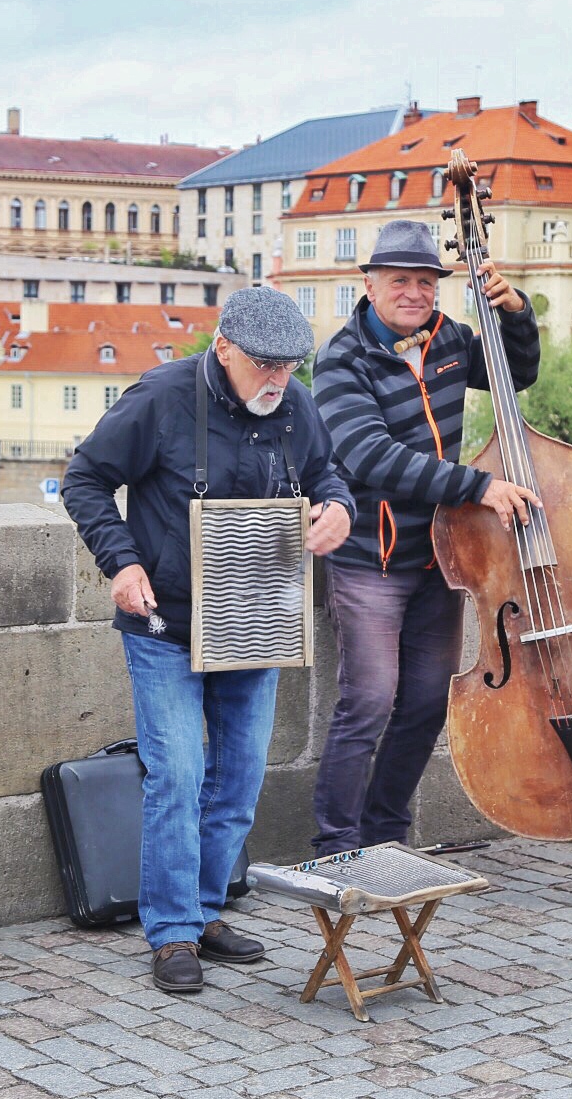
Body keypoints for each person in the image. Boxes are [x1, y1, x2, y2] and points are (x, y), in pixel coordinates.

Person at [63, 286, 355, 994]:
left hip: (253, 620)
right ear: (221, 347)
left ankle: (203, 911)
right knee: (179, 776)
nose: (279, 381)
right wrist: (122, 562)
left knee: (239, 779)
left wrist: (339, 509)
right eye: (264, 365)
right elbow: (85, 478)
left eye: (290, 366)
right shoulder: (159, 397)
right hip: (164, 622)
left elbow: (328, 475)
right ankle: (170, 935)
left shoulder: (296, 405)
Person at [308, 219, 541, 854]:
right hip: (369, 562)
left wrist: (514, 312)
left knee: (424, 706)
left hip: (442, 559)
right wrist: (476, 486)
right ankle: (336, 842)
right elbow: (368, 455)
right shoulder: (340, 357)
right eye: (400, 281)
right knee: (370, 702)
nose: (414, 293)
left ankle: (387, 832)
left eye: (426, 282)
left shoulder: (450, 339)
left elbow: (515, 375)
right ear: (371, 284)